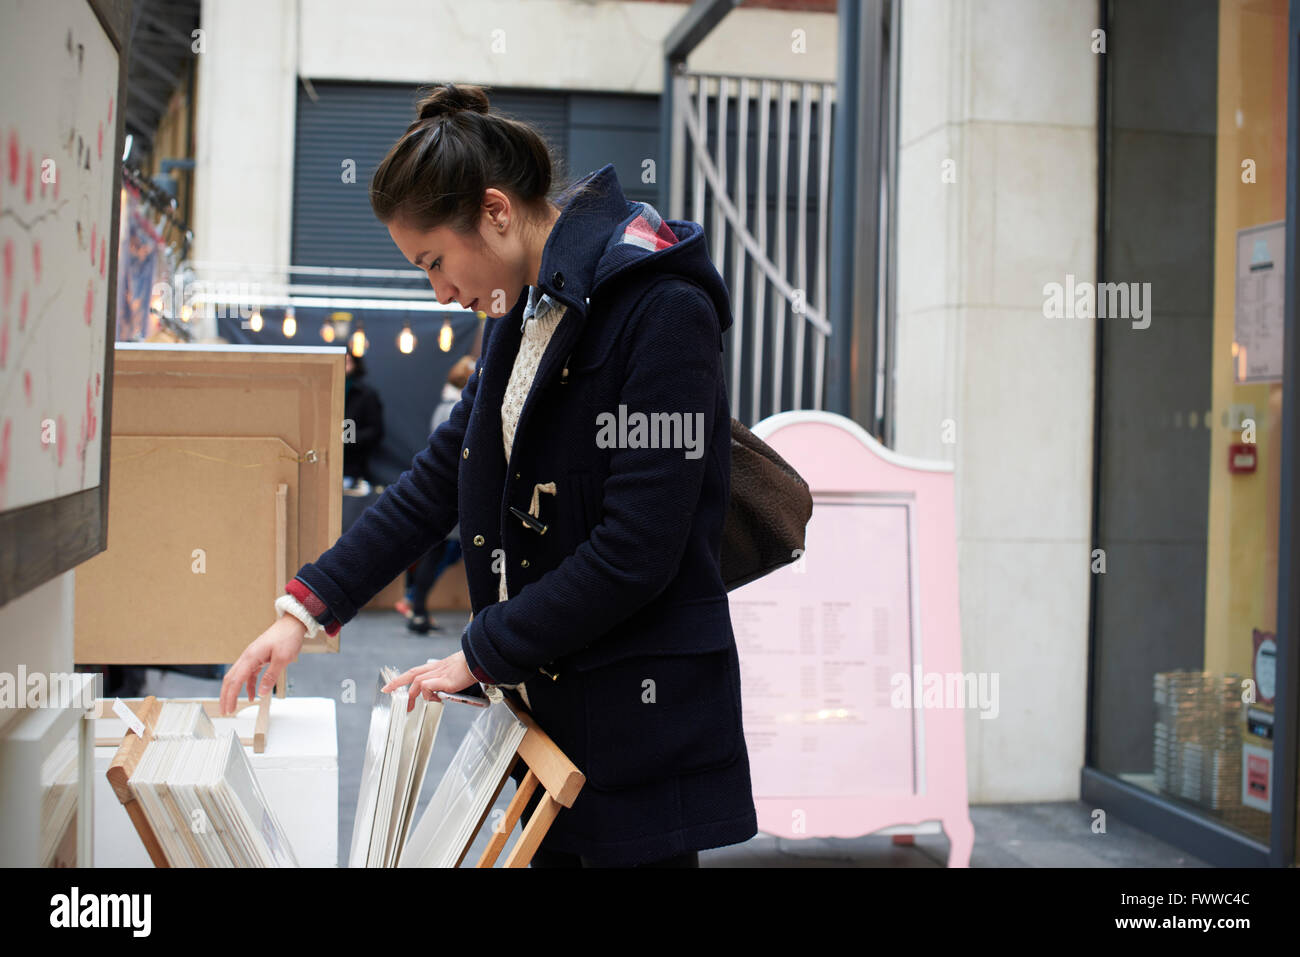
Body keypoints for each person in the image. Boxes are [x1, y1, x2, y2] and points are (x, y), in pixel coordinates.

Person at [220, 82, 756, 868]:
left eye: (436, 261)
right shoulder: (524, 311)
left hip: (638, 732)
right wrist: (303, 611)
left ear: (497, 212)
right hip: (550, 716)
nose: (439, 293)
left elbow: (636, 551)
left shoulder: (662, 306)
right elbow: (439, 476)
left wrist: (477, 651)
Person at [399, 355, 476, 633]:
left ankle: (415, 606)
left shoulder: (446, 406)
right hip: (453, 495)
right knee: (439, 553)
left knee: (440, 552)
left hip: (450, 494)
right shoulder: (456, 408)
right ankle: (415, 606)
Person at [343, 350, 384, 490]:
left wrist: (348, 438)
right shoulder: (324, 392)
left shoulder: (366, 395)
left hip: (354, 466)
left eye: (347, 362)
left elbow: (375, 430)